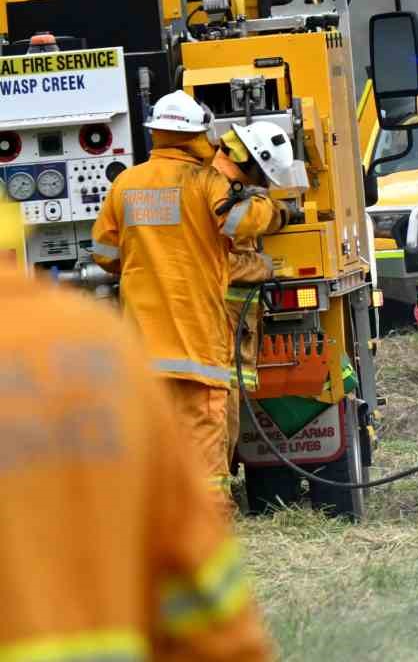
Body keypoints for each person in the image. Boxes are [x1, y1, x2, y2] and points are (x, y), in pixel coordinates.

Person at [0, 242, 275, 659]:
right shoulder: (97, 346)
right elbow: (196, 582)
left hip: (156, 336)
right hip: (199, 346)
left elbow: (107, 252)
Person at [92, 91, 284, 500]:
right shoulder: (205, 182)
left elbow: (104, 254)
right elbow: (239, 221)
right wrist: (271, 207)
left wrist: (144, 259)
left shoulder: (125, 183)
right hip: (197, 346)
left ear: (156, 133)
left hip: (142, 349)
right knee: (205, 466)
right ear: (198, 132)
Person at [215, 121, 307, 460]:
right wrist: (262, 266)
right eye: (261, 178)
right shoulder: (219, 191)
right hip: (220, 324)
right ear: (251, 161)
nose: (262, 185)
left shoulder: (216, 180)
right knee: (219, 405)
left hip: (213, 323)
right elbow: (220, 258)